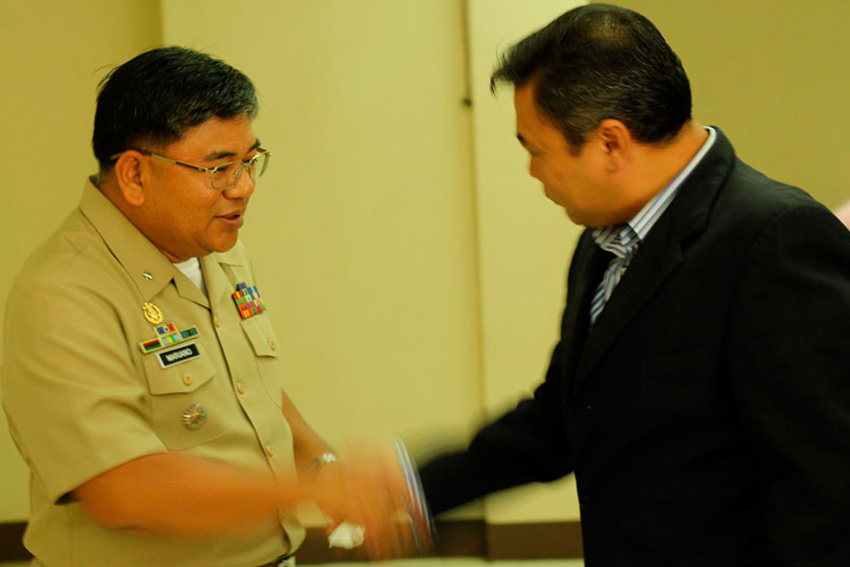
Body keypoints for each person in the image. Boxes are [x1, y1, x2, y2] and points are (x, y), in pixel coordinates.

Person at [418, 4, 850, 566]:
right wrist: (412, 485)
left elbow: (827, 490)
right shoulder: (603, 241)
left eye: (535, 149)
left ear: (611, 143)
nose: (532, 172)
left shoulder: (774, 239)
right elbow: (567, 415)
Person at [1, 46, 422, 567]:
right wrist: (299, 496)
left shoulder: (214, 245)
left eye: (249, 162)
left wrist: (322, 467)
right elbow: (124, 489)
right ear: (134, 174)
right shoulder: (64, 294)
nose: (243, 187)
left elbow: (247, 386)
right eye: (219, 168)